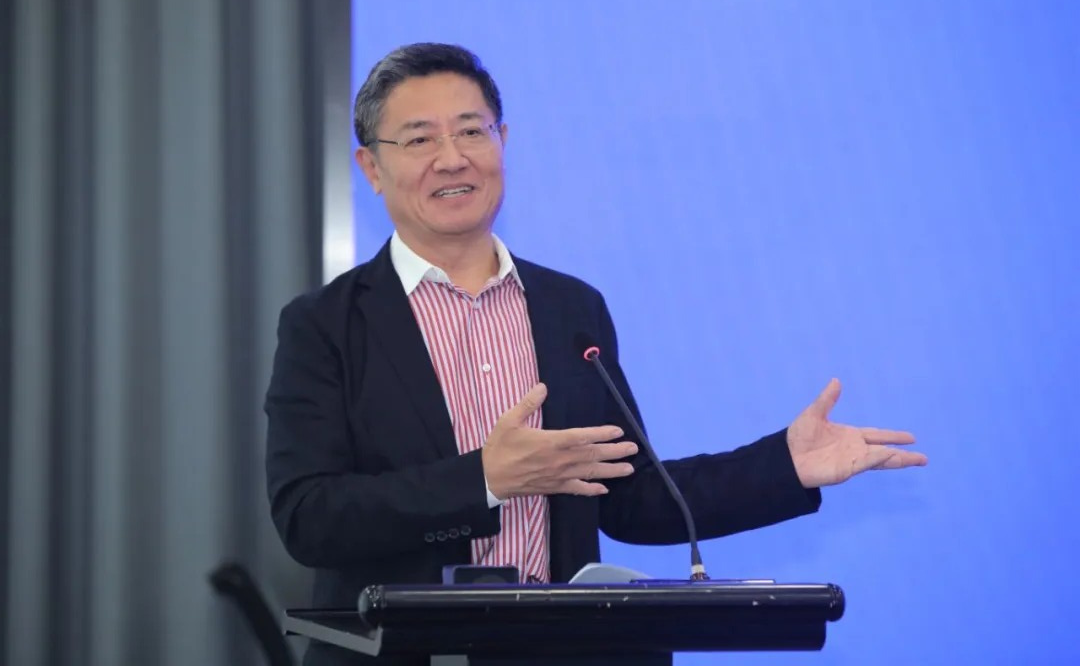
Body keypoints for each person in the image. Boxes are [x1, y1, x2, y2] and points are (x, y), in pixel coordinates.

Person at [264, 43, 927, 666]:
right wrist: (485, 479)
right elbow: (308, 518)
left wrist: (785, 465)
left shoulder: (571, 307)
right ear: (371, 168)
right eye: (419, 140)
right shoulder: (324, 325)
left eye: (471, 131)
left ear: (502, 141)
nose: (453, 157)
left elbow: (631, 498)